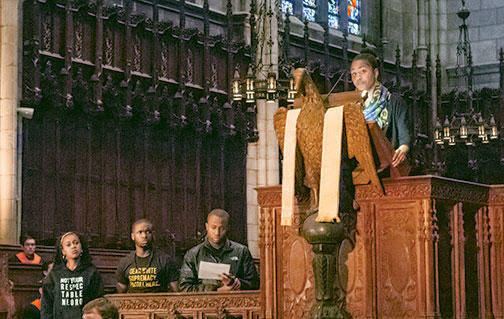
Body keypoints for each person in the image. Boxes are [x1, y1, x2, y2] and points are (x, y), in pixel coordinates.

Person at [350, 48, 411, 167]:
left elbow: (404, 137)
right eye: (354, 74)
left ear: (375, 73)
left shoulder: (393, 101)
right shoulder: (349, 105)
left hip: (386, 163)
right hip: (357, 163)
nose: (358, 77)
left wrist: (402, 150)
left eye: (363, 71)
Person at [179, 209, 259, 292]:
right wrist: (216, 290)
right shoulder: (193, 254)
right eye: (213, 227)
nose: (217, 233)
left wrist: (239, 283)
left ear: (228, 228)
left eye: (222, 228)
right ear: (206, 226)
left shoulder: (242, 251)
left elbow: (254, 283)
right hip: (204, 303)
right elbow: (184, 287)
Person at [41, 232, 104, 319]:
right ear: (63, 251)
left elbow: (98, 302)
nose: (73, 246)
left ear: (81, 247)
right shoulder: (54, 275)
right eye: (68, 244)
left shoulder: (91, 272)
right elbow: (46, 306)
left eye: (76, 243)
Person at [115, 219, 178, 293]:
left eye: (148, 232)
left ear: (153, 235)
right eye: (140, 232)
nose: (144, 236)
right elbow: (120, 293)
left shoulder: (165, 260)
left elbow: (176, 291)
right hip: (134, 303)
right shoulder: (125, 262)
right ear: (133, 236)